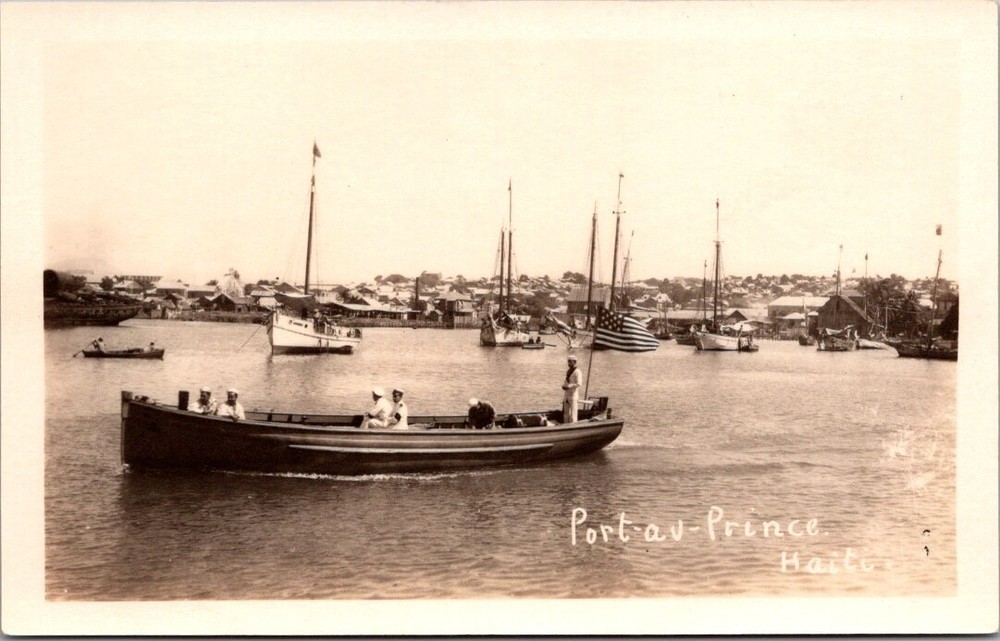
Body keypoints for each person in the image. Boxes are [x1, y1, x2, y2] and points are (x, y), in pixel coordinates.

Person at [561, 354, 583, 423]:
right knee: (566, 413)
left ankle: (573, 427)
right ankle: (565, 426)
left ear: (574, 362)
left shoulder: (578, 371)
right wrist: (564, 386)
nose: (569, 363)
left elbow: (579, 383)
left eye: (570, 362)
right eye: (568, 361)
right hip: (566, 395)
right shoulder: (568, 371)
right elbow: (566, 381)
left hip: (573, 395)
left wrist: (569, 386)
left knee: (573, 413)